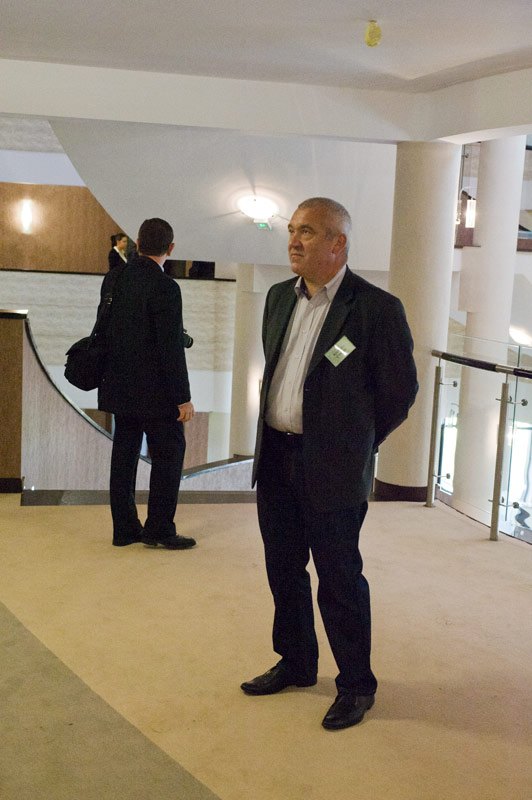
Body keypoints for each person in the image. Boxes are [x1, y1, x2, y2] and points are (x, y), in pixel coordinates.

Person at [241, 198, 418, 730]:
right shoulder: (278, 297)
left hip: (334, 467)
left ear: (339, 243)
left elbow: (399, 392)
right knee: (283, 569)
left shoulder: (375, 309)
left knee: (339, 577)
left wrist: (357, 443)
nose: (294, 241)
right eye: (293, 230)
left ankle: (356, 684)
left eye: (309, 232)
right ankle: (296, 662)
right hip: (277, 457)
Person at [97, 217, 196, 550]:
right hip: (156, 393)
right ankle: (159, 529)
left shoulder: (114, 278)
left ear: (138, 243)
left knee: (124, 456)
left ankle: (124, 529)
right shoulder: (166, 287)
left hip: (118, 385)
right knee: (169, 454)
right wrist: (182, 397)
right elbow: (170, 348)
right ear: (171, 248)